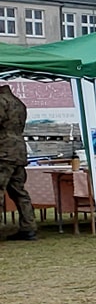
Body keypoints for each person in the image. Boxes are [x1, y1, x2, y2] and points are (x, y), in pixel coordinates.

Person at [0, 84, 33, 240]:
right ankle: (29, 226)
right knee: (19, 192)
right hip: (18, 150)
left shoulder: (1, 101)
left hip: (3, 151)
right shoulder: (18, 102)